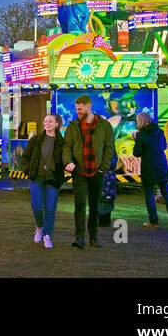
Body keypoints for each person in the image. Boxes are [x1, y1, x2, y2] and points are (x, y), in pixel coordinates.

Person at [62, 94, 116, 248]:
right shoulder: (73, 126)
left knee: (94, 205)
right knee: (79, 204)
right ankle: (79, 238)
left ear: (88, 106)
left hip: (97, 172)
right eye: (76, 109)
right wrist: (68, 162)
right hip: (79, 171)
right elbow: (67, 146)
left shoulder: (104, 126)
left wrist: (103, 168)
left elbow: (109, 148)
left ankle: (93, 236)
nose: (78, 112)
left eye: (80, 109)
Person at [22, 113, 65, 249]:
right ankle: (39, 227)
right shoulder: (35, 140)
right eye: (45, 121)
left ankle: (47, 235)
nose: (47, 123)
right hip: (37, 177)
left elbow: (65, 158)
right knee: (37, 205)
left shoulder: (61, 142)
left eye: (50, 121)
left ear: (57, 124)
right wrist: (27, 170)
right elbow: (26, 156)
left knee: (51, 208)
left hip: (52, 178)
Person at [134, 111, 168, 228]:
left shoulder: (141, 135)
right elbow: (164, 147)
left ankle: (153, 221)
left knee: (149, 193)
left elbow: (137, 153)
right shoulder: (160, 132)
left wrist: (136, 140)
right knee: (166, 190)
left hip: (149, 167)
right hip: (162, 164)